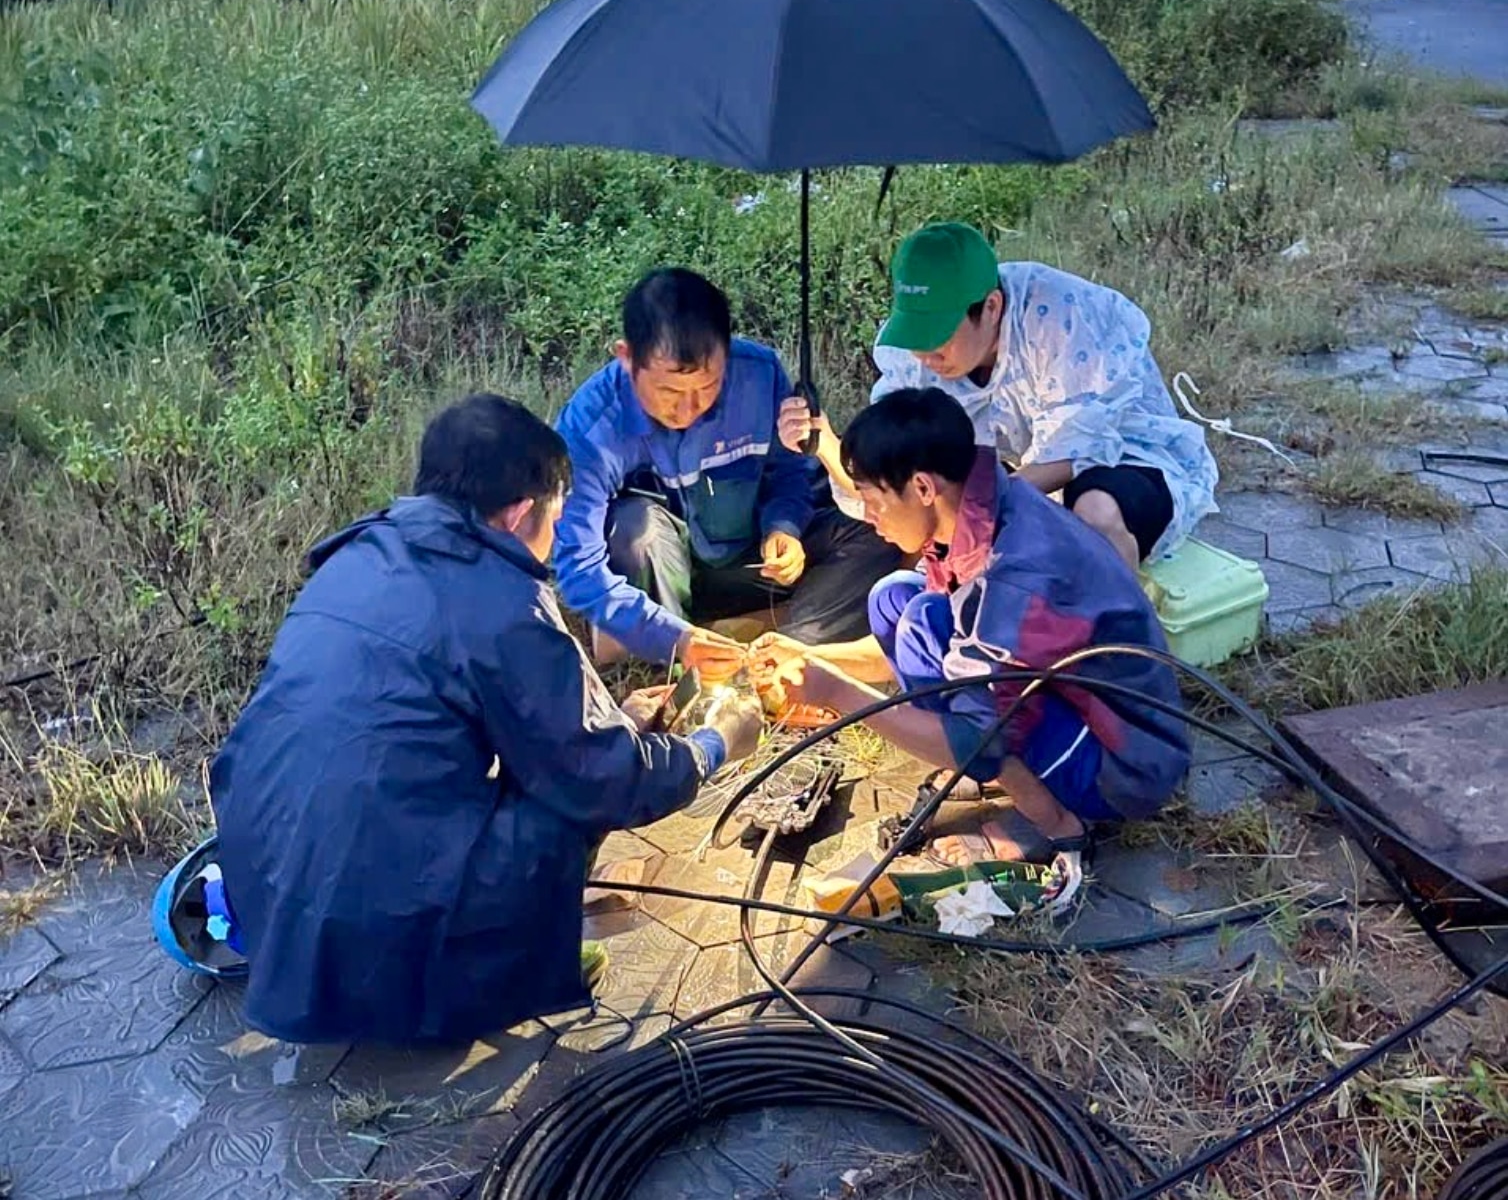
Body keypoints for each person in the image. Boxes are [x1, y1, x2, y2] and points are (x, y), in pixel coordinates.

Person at [204, 394, 764, 1045]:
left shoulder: (357, 555)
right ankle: (501, 974)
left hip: (259, 883)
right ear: (523, 511)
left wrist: (611, 721)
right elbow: (600, 777)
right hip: (374, 940)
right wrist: (714, 744)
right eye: (557, 515)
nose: (555, 536)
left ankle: (371, 961)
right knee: (564, 804)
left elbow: (431, 710)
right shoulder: (502, 599)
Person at [754, 388, 1189, 869]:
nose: (870, 519)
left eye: (874, 502)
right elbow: (932, 638)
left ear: (922, 489)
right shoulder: (982, 505)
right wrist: (812, 657)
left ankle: (1057, 826)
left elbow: (979, 735)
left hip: (1122, 762)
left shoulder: (1018, 576)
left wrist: (838, 696)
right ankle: (1000, 773)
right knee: (899, 601)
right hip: (1070, 702)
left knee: (970, 720)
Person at [778, 221, 1218, 569]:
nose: (926, 354)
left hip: (1122, 457)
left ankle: (1113, 649)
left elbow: (1080, 447)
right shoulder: (916, 357)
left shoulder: (1061, 318)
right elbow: (892, 464)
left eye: (939, 338)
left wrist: (974, 510)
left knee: (1093, 516)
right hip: (1010, 470)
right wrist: (827, 445)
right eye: (916, 336)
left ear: (990, 307)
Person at [553, 267, 905, 678]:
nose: (687, 410)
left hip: (748, 563)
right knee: (637, 530)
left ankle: (784, 648)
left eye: (708, 387)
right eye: (669, 393)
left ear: (727, 352)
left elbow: (791, 471)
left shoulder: (759, 373)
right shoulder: (591, 427)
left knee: (874, 529)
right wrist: (673, 637)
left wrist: (785, 529)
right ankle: (673, 651)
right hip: (662, 584)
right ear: (627, 357)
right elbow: (578, 567)